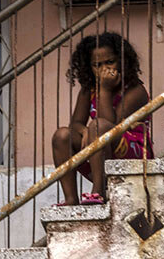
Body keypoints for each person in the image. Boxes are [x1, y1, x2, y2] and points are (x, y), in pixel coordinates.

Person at [50, 32, 154, 206]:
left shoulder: (136, 91)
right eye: (97, 65)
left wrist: (104, 90)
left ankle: (99, 192)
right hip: (99, 150)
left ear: (122, 60)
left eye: (110, 62)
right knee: (62, 136)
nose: (105, 69)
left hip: (133, 154)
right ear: (89, 67)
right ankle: (70, 198)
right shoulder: (89, 89)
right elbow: (75, 123)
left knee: (99, 127)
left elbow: (111, 125)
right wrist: (85, 131)